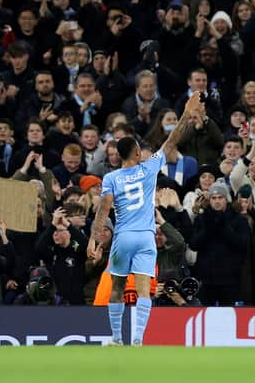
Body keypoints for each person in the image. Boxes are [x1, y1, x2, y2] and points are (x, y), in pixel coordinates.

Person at [86, 91, 202, 346]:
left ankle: (117, 339)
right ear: (136, 153)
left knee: (117, 288)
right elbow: (172, 141)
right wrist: (186, 113)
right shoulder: (149, 168)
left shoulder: (111, 178)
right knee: (142, 291)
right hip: (146, 238)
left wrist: (94, 240)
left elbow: (104, 210)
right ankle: (138, 338)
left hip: (123, 238)